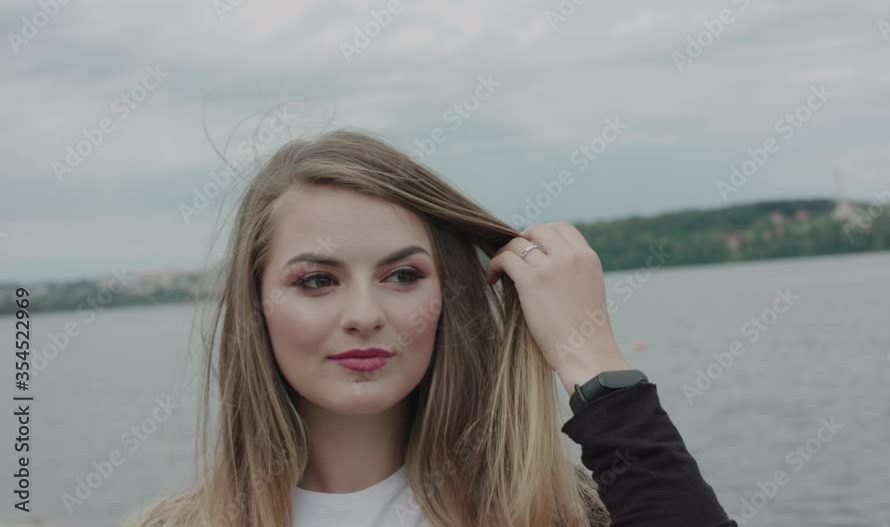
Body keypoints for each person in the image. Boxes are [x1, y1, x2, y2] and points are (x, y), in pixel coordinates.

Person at [125, 130, 736, 526]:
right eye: (316, 281)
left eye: (401, 276)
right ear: (256, 304)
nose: (364, 314)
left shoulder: (559, 513)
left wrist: (593, 360)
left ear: (450, 298)